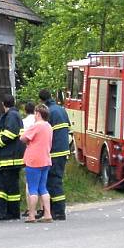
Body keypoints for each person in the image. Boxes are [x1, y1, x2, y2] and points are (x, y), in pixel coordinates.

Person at [0, 93, 25, 221]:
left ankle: (5, 212)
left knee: (3, 187)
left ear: (3, 104)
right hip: (9, 158)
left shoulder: (11, 115)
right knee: (10, 187)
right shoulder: (13, 114)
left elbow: (11, 133)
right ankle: (11, 211)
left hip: (9, 158)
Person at [40, 88, 70, 220]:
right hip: (63, 151)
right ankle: (53, 209)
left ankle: (58, 211)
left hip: (54, 152)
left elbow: (44, 133)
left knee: (53, 181)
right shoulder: (61, 110)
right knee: (56, 180)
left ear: (42, 101)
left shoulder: (48, 112)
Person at [20, 103, 53, 223]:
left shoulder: (36, 126)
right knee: (43, 188)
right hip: (46, 159)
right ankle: (48, 213)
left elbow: (23, 138)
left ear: (38, 114)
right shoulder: (49, 126)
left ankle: (32, 215)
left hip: (34, 160)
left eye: (35, 113)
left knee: (33, 188)